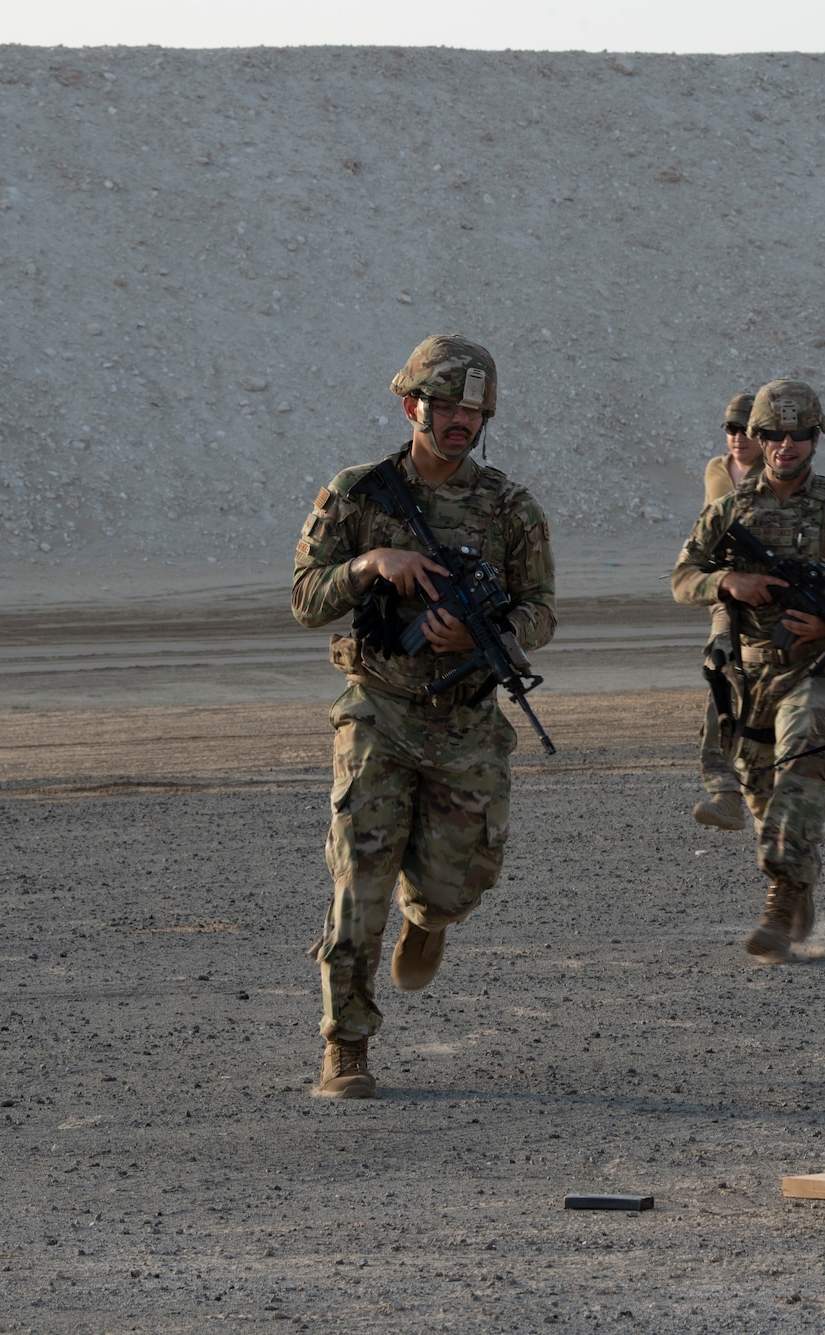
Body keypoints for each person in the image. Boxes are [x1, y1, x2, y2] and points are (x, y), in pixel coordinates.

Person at [291, 334, 555, 1099]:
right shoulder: (359, 493)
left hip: (466, 719)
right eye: (446, 408)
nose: (460, 423)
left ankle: (430, 920)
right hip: (378, 708)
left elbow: (542, 611)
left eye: (474, 412)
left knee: (456, 884)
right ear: (413, 406)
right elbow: (305, 598)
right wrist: (370, 565)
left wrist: (485, 634)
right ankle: (346, 1044)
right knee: (358, 878)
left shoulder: (509, 506)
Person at [672, 378, 825, 961]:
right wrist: (729, 582)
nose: (785, 445)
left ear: (813, 437)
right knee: (761, 792)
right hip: (748, 675)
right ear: (757, 437)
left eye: (797, 434)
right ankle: (796, 884)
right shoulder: (729, 511)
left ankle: (778, 903)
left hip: (815, 669)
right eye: (772, 434)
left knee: (802, 761)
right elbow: (682, 577)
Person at [693, 391, 761, 831]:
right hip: (725, 595)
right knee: (720, 669)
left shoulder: (777, 474)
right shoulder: (716, 470)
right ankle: (725, 790)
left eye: (745, 430)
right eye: (730, 429)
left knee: (758, 689)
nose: (736, 437)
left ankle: (761, 794)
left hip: (765, 597)